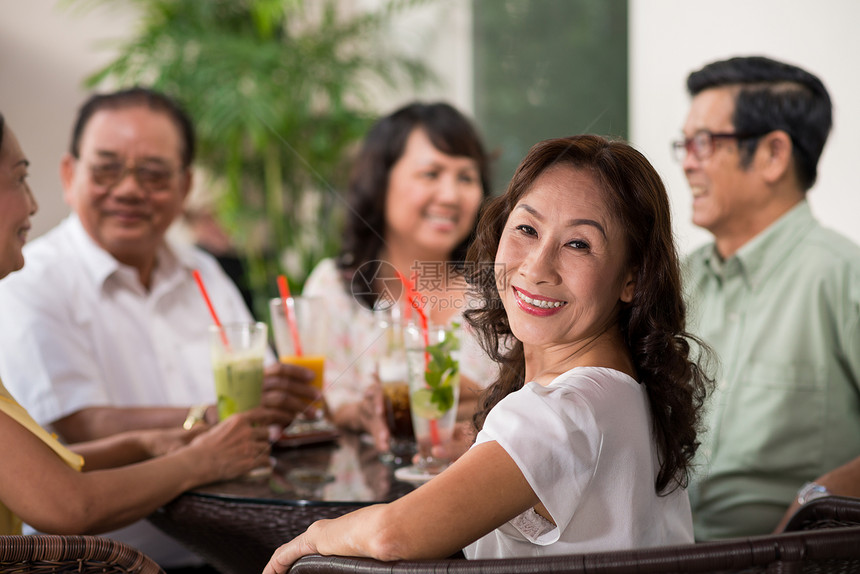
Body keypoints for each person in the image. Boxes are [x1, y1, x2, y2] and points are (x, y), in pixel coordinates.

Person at [263, 134, 712, 572]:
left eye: (579, 244)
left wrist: (312, 537)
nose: (536, 266)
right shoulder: (626, 390)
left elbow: (393, 534)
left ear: (633, 278)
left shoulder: (559, 410)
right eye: (526, 229)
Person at [0, 88, 316, 568]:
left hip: (227, 548)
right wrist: (200, 449)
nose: (129, 189)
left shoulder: (204, 272)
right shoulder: (34, 279)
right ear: (71, 174)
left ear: (185, 186)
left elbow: (59, 460)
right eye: (107, 169)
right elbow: (68, 488)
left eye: (152, 173)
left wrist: (153, 441)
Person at [676, 55, 860, 540]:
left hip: (796, 560)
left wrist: (815, 501)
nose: (687, 161)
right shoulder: (680, 280)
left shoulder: (843, 277)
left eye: (703, 142)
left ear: (774, 154)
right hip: (664, 550)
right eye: (685, 144)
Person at [302, 102, 497, 450]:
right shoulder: (332, 287)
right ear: (381, 182)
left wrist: (487, 403)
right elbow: (315, 402)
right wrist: (361, 413)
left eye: (466, 177)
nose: (451, 195)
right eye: (431, 174)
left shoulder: (499, 295)